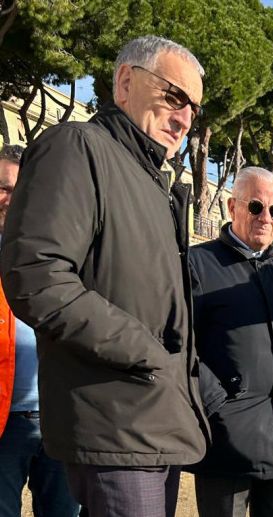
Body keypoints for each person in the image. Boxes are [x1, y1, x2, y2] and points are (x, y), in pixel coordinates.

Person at [0, 36, 210, 516]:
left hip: (155, 420)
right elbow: (38, 274)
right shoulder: (77, 147)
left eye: (194, 109)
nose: (184, 118)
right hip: (117, 423)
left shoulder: (156, 185)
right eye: (174, 96)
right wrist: (145, 353)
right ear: (125, 82)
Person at [187, 167, 273, 517]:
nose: (266, 218)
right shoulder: (196, 264)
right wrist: (215, 402)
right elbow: (177, 345)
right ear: (232, 207)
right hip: (225, 441)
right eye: (256, 206)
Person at [0, 144, 80, 517]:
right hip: (3, 424)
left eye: (20, 188)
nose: (10, 198)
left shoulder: (64, 252)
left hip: (59, 417)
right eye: (3, 187)